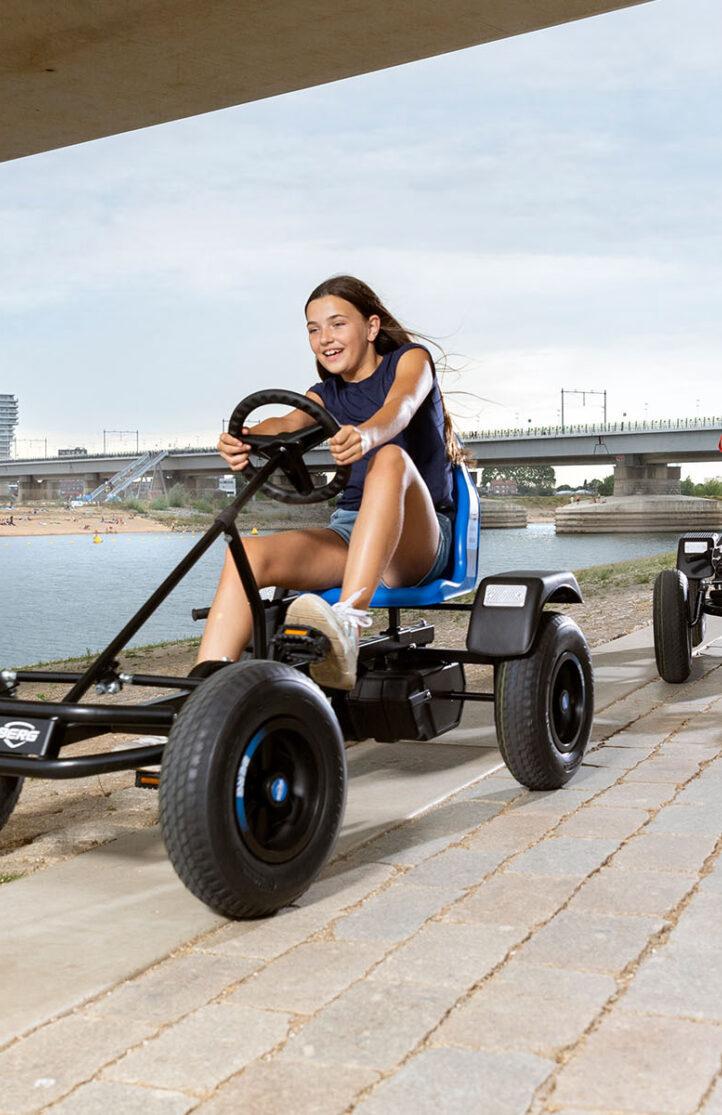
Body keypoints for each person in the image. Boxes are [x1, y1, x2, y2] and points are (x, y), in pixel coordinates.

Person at [197, 275, 465, 689]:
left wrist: (368, 435)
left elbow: (402, 404)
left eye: (338, 324)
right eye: (313, 329)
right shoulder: (326, 395)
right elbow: (286, 423)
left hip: (418, 541)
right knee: (246, 554)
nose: (325, 338)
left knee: (391, 457)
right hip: (350, 534)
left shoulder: (411, 361)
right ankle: (206, 694)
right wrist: (243, 439)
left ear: (371, 328)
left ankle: (347, 625)